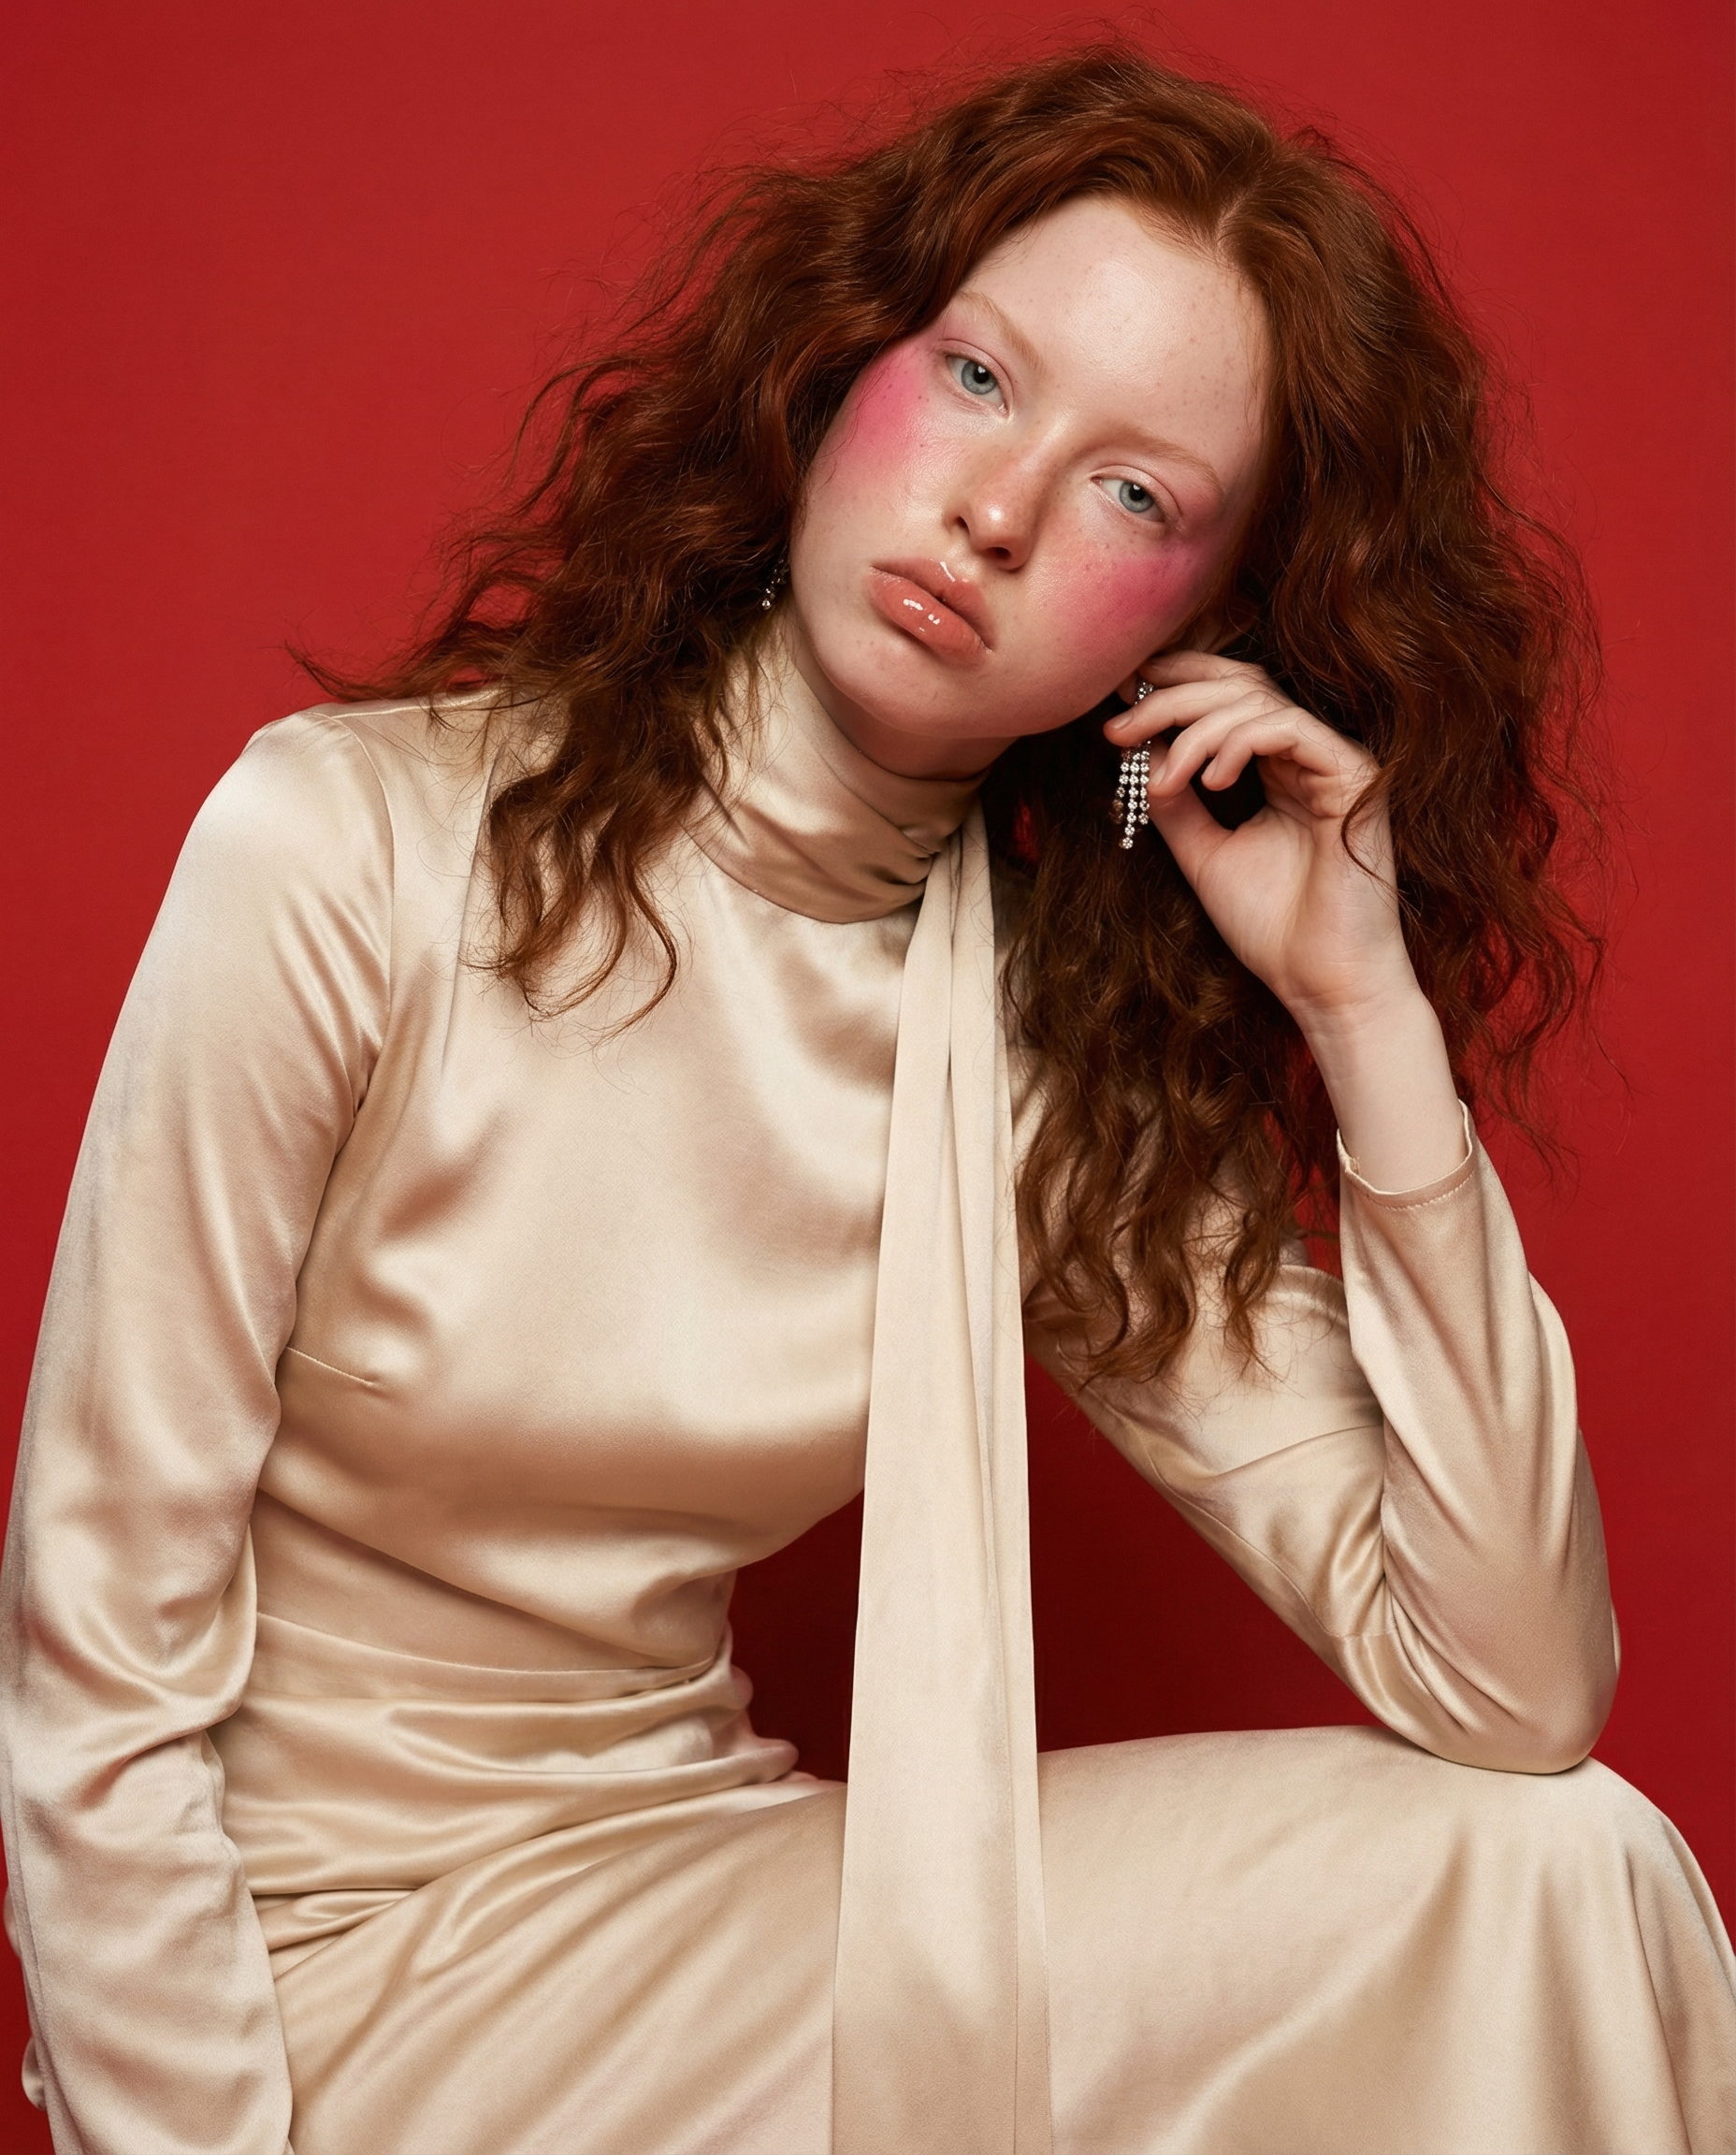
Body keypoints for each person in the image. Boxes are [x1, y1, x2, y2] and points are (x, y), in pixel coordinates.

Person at [2, 45, 1731, 2155]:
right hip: (301, 1968)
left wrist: (1361, 1008)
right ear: (844, 367)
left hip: (703, 1921)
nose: (997, 510)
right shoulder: (347, 851)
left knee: (1552, 1873)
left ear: (1199, 632)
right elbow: (94, 1658)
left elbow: (1511, 1689)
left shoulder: (1028, 1073)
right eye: (981, 378)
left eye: (1134, 495)